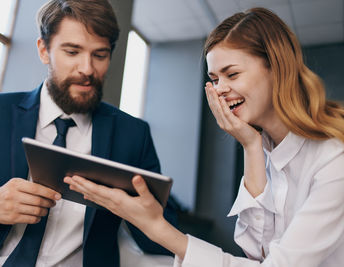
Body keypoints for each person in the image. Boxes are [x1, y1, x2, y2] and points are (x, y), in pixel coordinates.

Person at [64, 7, 344, 267]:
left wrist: (159, 229)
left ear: (276, 67)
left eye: (231, 74)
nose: (220, 89)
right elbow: (257, 253)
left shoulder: (334, 159)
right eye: (215, 79)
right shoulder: (265, 151)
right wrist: (250, 146)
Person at [0, 0, 177, 266]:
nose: (87, 69)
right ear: (44, 50)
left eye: (99, 55)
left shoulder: (133, 135)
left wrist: (147, 217)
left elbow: (161, 235)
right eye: (72, 51)